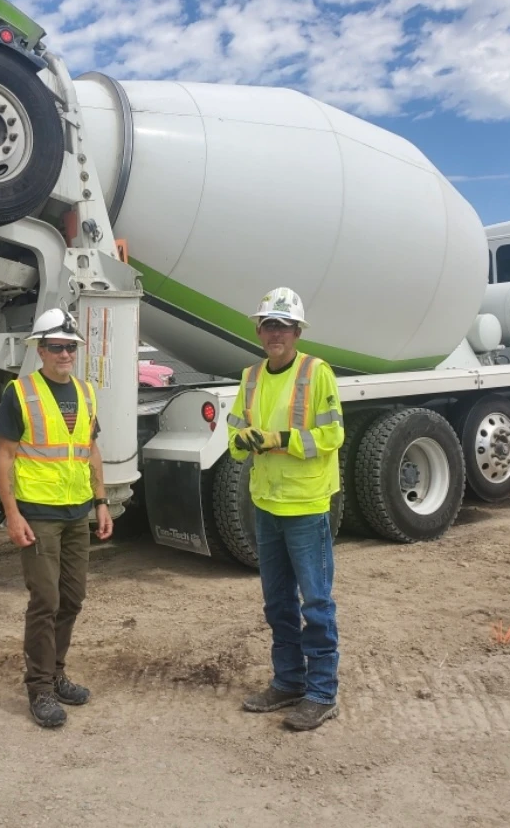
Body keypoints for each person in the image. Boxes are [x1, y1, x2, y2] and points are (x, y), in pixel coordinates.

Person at [226, 287, 345, 732]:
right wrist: (244, 442)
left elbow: (332, 436)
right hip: (266, 503)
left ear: (296, 332)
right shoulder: (251, 376)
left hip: (307, 506)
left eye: (283, 326)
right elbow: (235, 432)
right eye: (269, 325)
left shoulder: (318, 373)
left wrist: (280, 440)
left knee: (315, 603)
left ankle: (321, 692)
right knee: (277, 603)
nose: (275, 333)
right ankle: (289, 681)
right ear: (259, 330)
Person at [0, 307, 114, 729]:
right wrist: (12, 514)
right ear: (40, 350)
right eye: (56, 347)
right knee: (46, 601)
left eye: (70, 347)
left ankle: (57, 673)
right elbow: (3, 456)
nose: (65, 354)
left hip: (77, 512)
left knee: (73, 599)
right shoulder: (21, 392)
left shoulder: (85, 392)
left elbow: (89, 450)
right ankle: (40, 688)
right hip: (38, 514)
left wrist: (101, 501)